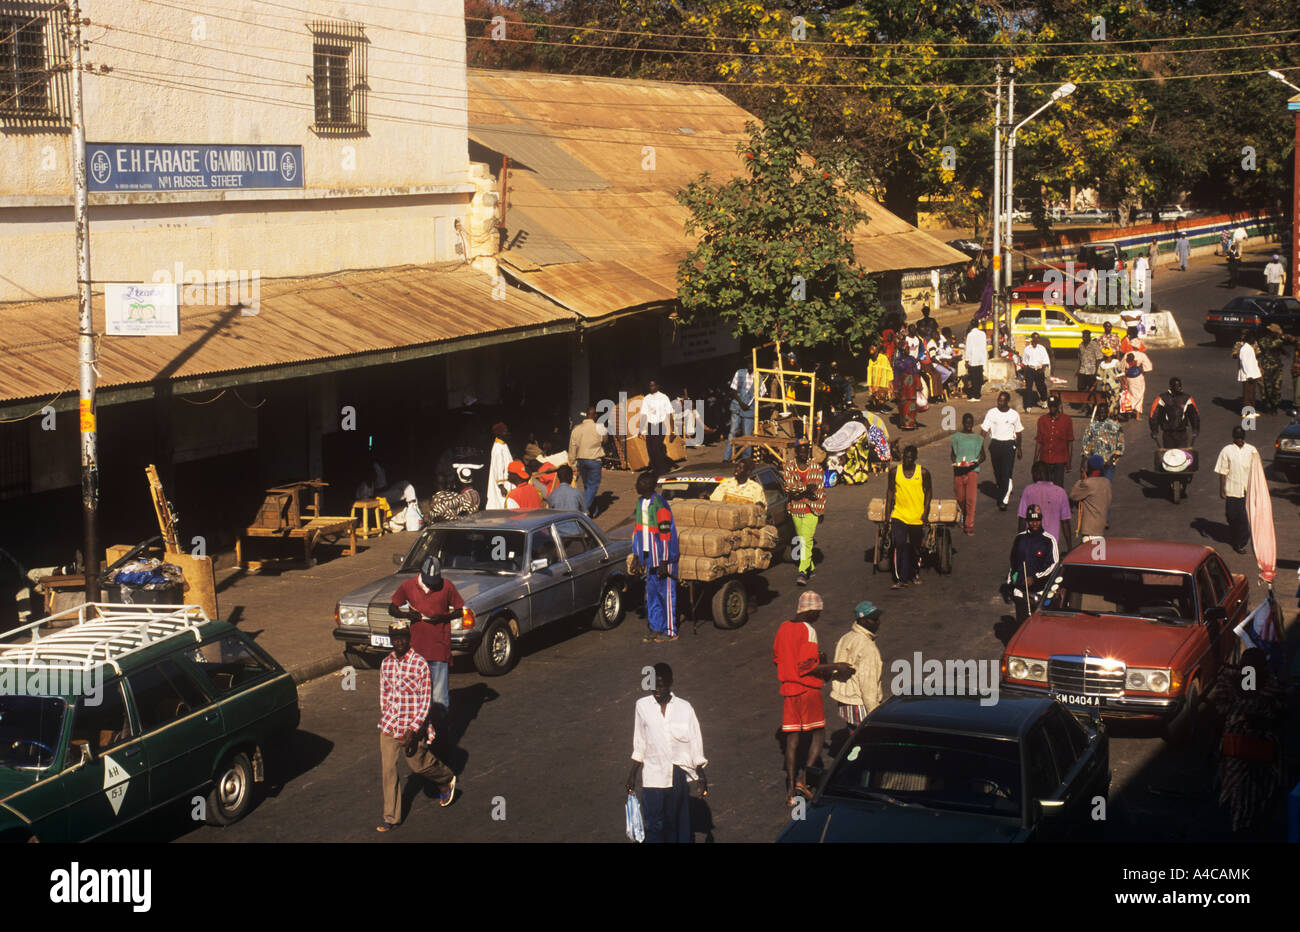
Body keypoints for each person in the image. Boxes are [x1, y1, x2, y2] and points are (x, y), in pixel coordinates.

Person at [773, 591, 854, 806]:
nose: (819, 616)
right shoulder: (808, 630)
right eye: (818, 612)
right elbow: (808, 666)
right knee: (818, 735)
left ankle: (790, 791)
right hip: (807, 690)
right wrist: (837, 666)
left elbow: (777, 658)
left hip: (788, 690)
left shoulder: (783, 628)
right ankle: (804, 781)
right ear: (810, 611)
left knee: (792, 741)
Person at [376, 619, 457, 831]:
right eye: (395, 638)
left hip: (413, 727)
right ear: (391, 641)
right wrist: (389, 720)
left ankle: (446, 778)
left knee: (417, 765)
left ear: (409, 639)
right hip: (390, 726)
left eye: (403, 637)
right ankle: (391, 817)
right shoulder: (386, 663)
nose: (399, 641)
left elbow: (425, 701)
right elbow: (385, 695)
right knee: (388, 771)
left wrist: (412, 731)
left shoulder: (420, 664)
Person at [625, 662, 708, 844]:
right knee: (654, 824)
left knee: (676, 823)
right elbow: (640, 741)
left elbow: (695, 740)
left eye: (662, 685)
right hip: (653, 775)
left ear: (671, 683)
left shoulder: (685, 708)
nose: (658, 690)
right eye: (654, 685)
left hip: (676, 775)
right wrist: (633, 774)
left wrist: (700, 773)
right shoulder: (642, 706)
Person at [1209, 648, 1288, 833]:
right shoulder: (1259, 683)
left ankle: (1245, 822)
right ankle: (1243, 823)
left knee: (1257, 787)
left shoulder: (1266, 684)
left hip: (1254, 746)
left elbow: (1280, 711)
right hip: (1243, 746)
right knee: (1246, 788)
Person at [389, 554, 463, 724]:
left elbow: (459, 610)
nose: (432, 584)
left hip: (439, 648)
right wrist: (407, 614)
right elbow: (392, 608)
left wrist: (444, 617)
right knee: (417, 693)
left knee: (439, 697)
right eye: (429, 580)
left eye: (434, 581)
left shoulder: (447, 586)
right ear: (421, 573)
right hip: (416, 650)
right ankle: (420, 729)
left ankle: (440, 731)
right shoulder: (408, 586)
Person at [829, 602, 884, 729]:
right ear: (862, 620)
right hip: (861, 704)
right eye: (874, 619)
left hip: (847, 701)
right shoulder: (867, 646)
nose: (878, 622)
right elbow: (868, 683)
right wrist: (874, 713)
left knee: (853, 737)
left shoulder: (846, 637)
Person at [885, 444, 931, 589]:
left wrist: (925, 511)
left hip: (917, 516)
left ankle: (915, 571)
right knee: (900, 545)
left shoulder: (923, 473)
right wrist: (887, 516)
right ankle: (901, 578)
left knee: (916, 547)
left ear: (915, 458)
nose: (906, 460)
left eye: (910, 458)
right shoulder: (894, 472)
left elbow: (929, 492)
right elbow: (890, 493)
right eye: (905, 457)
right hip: (900, 515)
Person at [1006, 504, 1060, 624]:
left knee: (1039, 626)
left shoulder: (1049, 540)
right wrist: (1011, 583)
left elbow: (1054, 564)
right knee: (1022, 625)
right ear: (1027, 521)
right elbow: (1013, 563)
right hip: (1021, 592)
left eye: (1037, 520)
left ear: (1041, 520)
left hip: (1040, 592)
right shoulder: (1019, 539)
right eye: (1031, 521)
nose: (1034, 524)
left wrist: (1034, 578)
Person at [783, 439, 826, 586]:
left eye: (806, 449)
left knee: (806, 540)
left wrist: (821, 511)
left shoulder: (816, 467)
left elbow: (820, 490)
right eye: (800, 449)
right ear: (795, 451)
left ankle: (802, 572)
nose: (803, 452)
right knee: (802, 540)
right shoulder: (789, 467)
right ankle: (810, 567)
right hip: (796, 509)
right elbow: (789, 488)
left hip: (812, 510)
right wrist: (806, 489)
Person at [1214, 426, 1259, 554]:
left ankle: (1240, 543)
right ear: (1233, 437)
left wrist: (1257, 489)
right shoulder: (1226, 451)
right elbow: (1222, 471)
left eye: (1241, 437)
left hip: (1247, 491)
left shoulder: (1252, 450)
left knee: (1244, 519)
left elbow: (1257, 471)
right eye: (1237, 437)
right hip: (1232, 490)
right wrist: (1222, 489)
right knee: (1232, 517)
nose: (1239, 440)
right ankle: (1235, 538)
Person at [981, 391, 1024, 510]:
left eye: (1002, 400)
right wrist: (979, 446)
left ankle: (1003, 500)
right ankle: (1006, 485)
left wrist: (1019, 448)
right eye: (998, 400)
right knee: (998, 473)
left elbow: (1019, 432)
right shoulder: (991, 413)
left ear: (1007, 401)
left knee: (1005, 472)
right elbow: (984, 430)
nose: (1000, 403)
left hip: (1009, 445)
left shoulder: (1014, 415)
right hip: (995, 444)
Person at [1018, 461, 1072, 546]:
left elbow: (1022, 519)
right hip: (1052, 543)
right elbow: (1065, 522)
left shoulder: (1028, 490)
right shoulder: (1060, 492)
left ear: (1036, 474)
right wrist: (1070, 547)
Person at [568, 406, 607, 517]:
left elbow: (572, 447)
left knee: (587, 487)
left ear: (586, 415)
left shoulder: (577, 428)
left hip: (581, 460)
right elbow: (605, 440)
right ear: (595, 415)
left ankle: (593, 511)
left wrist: (572, 463)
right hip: (594, 460)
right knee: (593, 486)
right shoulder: (600, 428)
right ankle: (582, 511)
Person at [950, 412, 985, 536]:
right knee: (960, 498)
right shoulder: (956, 437)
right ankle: (962, 515)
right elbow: (953, 455)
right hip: (959, 471)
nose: (969, 425)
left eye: (971, 423)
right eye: (966, 423)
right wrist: (956, 463)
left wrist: (975, 463)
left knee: (971, 499)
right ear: (963, 423)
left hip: (972, 472)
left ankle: (969, 525)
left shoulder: (978, 439)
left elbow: (983, 456)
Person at [1034, 395, 1074, 489]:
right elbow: (1039, 440)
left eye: (1054, 406)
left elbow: (1070, 441)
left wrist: (1069, 461)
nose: (1052, 408)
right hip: (1045, 459)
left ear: (1058, 406)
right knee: (1045, 487)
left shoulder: (1067, 420)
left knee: (1058, 487)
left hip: (1060, 460)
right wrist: (1035, 459)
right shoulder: (1042, 420)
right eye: (1050, 406)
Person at [1070, 454, 1112, 542]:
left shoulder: (1088, 483)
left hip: (1090, 532)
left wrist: (1082, 479)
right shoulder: (1106, 482)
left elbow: (1073, 495)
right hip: (1100, 529)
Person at [1149, 376, 1200, 448]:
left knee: (1181, 455)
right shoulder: (1162, 398)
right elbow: (1154, 414)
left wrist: (1195, 428)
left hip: (1182, 433)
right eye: (1176, 386)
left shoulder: (1187, 398)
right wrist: (1154, 429)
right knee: (1169, 455)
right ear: (1171, 387)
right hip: (1168, 433)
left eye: (1179, 386)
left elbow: (1194, 414)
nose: (1179, 388)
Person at [640, 379, 675, 476]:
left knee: (657, 448)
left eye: (653, 385)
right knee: (650, 449)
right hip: (651, 426)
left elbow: (669, 414)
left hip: (660, 425)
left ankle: (663, 471)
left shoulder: (664, 397)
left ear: (657, 386)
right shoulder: (647, 398)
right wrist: (640, 429)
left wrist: (672, 430)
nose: (651, 387)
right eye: (650, 386)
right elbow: (644, 414)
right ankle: (655, 470)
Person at [725, 361, 756, 462]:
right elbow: (733, 390)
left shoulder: (759, 376)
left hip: (749, 410)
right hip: (737, 407)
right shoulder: (739, 373)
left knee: (747, 435)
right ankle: (726, 458)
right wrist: (741, 402)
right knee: (732, 432)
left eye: (752, 364)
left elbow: (761, 393)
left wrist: (750, 403)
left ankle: (746, 459)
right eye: (749, 364)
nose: (750, 366)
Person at [1257, 324, 1287, 414]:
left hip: (1277, 366)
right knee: (1267, 387)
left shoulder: (1277, 341)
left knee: (1277, 386)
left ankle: (1275, 405)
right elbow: (1270, 346)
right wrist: (1280, 339)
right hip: (1267, 367)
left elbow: (1281, 349)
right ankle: (1267, 403)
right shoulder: (1263, 340)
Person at [486, 422, 513, 509]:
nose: (507, 433)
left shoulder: (504, 445)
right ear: (499, 433)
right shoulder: (497, 447)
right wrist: (501, 486)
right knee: (501, 503)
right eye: (505, 431)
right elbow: (498, 468)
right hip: (502, 483)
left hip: (507, 480)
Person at [1021, 333, 1050, 410]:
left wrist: (1042, 369)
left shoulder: (1042, 348)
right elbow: (1025, 362)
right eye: (1034, 338)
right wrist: (1025, 373)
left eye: (1037, 338)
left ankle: (1044, 400)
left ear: (1039, 339)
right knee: (1029, 388)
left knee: (1041, 386)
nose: (1036, 340)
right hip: (1030, 369)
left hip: (1039, 370)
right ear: (1032, 338)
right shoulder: (1027, 349)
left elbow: (1045, 360)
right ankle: (1028, 405)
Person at [1120, 352, 1151, 420]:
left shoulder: (1126, 363)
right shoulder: (1136, 362)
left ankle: (1129, 411)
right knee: (1139, 396)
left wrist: (1124, 381)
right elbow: (1143, 370)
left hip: (1129, 379)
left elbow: (1124, 372)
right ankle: (1137, 416)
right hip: (1138, 379)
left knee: (1130, 395)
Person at [1096, 345, 1124, 420]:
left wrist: (1093, 386)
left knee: (1110, 402)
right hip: (1115, 387)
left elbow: (1099, 377)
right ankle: (1111, 415)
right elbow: (1119, 375)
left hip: (1106, 387)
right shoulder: (1116, 362)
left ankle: (1111, 416)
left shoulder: (1102, 364)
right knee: (1115, 402)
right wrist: (1124, 385)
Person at [894, 354, 921, 430]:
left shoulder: (911, 359)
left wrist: (918, 384)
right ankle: (904, 424)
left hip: (912, 386)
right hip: (902, 386)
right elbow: (895, 375)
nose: (908, 349)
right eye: (906, 347)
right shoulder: (897, 361)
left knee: (912, 405)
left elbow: (916, 372)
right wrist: (895, 387)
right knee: (903, 405)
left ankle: (911, 424)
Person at [1236, 331, 1261, 411]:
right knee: (1247, 394)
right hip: (1248, 376)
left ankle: (1251, 410)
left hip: (1252, 375)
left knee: (1252, 394)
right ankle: (1247, 412)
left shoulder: (1249, 347)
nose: (1254, 340)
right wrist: (1249, 375)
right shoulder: (1245, 349)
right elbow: (1244, 363)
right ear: (1249, 339)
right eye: (1253, 338)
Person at [865, 343, 894, 410]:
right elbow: (870, 372)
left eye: (874, 353)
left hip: (884, 380)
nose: (873, 355)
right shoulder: (870, 360)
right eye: (871, 354)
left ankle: (882, 407)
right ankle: (877, 407)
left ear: (877, 351)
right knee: (875, 395)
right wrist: (870, 383)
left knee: (883, 395)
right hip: (875, 381)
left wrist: (890, 378)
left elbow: (888, 368)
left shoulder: (883, 358)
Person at [963, 324, 988, 400]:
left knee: (973, 377)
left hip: (973, 359)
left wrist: (967, 360)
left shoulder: (970, 335)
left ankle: (974, 395)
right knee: (979, 376)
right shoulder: (983, 334)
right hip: (980, 358)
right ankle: (978, 394)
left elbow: (968, 348)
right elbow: (984, 346)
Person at [1076, 329, 1102, 395]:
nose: (1084, 338)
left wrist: (1096, 371)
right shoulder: (1080, 345)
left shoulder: (1094, 345)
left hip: (1092, 371)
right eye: (1083, 336)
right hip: (1082, 371)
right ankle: (1082, 404)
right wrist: (1078, 370)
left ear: (1089, 337)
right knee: (1080, 388)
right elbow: (1080, 358)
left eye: (1086, 336)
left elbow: (1098, 359)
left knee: (1092, 390)